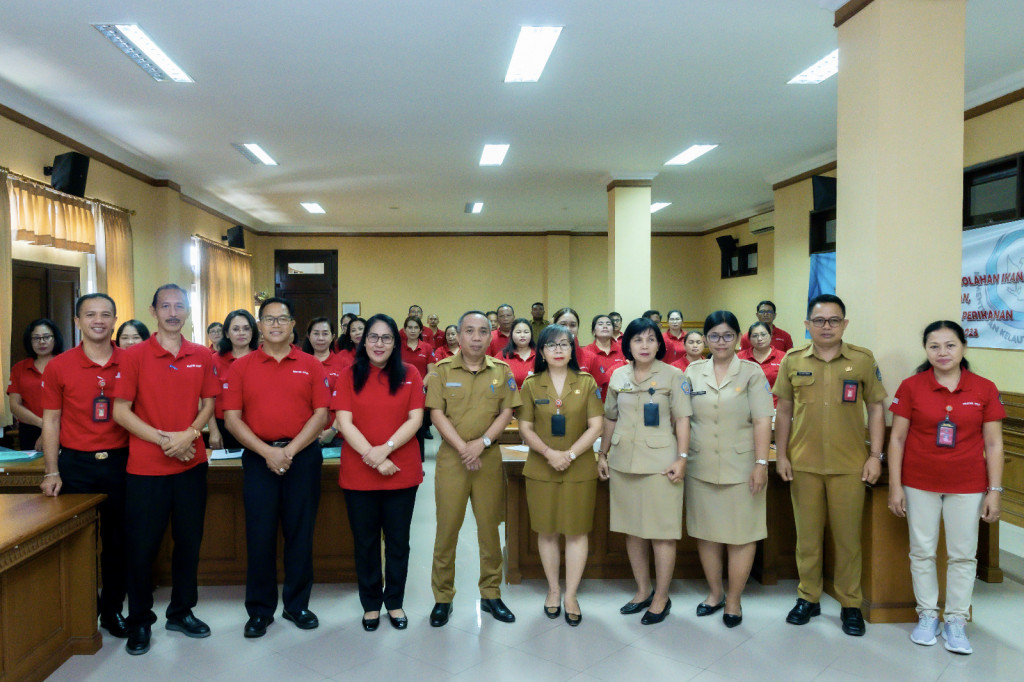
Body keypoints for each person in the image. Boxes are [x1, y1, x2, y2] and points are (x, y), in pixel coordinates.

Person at [112, 283, 220, 655]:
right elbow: (120, 411)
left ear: (188, 310)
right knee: (142, 548)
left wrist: (189, 434)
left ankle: (181, 611)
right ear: (153, 311)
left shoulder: (202, 354)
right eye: (165, 306)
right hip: (146, 468)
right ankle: (140, 621)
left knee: (189, 542)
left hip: (191, 463)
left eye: (179, 306)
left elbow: (209, 404)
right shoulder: (134, 355)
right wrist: (165, 441)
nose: (173, 312)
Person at [886, 321, 1004, 655]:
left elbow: (994, 444)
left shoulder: (983, 388)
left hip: (967, 484)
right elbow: (897, 438)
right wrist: (895, 486)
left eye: (950, 345)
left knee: (963, 555)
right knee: (922, 550)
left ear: (963, 347)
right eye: (934, 346)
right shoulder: (912, 386)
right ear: (926, 350)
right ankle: (927, 615)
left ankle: (955, 620)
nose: (942, 352)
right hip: (918, 481)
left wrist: (994, 490)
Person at [773, 293, 886, 637]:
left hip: (850, 465)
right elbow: (784, 410)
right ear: (807, 325)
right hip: (803, 464)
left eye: (834, 320)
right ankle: (809, 597)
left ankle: (850, 604)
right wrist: (781, 455)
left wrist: (875, 456)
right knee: (807, 538)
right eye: (819, 320)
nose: (826, 326)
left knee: (848, 540)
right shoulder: (792, 361)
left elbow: (877, 408)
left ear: (844, 324)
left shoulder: (863, 361)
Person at [222, 297, 330, 639]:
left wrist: (290, 451)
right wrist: (267, 452)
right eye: (268, 320)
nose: (275, 325)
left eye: (282, 319)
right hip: (258, 458)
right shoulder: (241, 367)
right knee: (260, 536)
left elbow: (321, 414)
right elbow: (232, 419)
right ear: (260, 326)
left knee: (300, 534)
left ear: (293, 324)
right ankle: (259, 610)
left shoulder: (311, 365)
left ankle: (297, 605)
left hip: (303, 458)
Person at [39, 293, 130, 638]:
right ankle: (79, 609)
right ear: (77, 322)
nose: (99, 320)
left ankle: (111, 611)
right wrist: (52, 471)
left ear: (114, 320)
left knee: (118, 541)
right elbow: (51, 421)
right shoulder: (60, 365)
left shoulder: (130, 361)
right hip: (76, 465)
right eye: (90, 314)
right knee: (79, 542)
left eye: (106, 314)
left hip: (122, 462)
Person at [425, 310, 521, 627]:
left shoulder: (501, 371)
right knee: (447, 530)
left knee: (489, 529)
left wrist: (482, 442)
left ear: (490, 335)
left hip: (488, 457)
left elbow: (507, 410)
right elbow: (436, 414)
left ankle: (491, 594)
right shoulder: (441, 370)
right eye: (469, 331)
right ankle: (442, 598)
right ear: (459, 334)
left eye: (482, 331)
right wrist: (465, 447)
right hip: (453, 458)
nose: (476, 337)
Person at [333, 314, 424, 632]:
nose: (379, 343)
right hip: (360, 474)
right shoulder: (347, 375)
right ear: (362, 340)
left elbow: (415, 419)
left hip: (401, 470)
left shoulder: (410, 373)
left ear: (395, 343)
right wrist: (374, 458)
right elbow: (344, 422)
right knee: (366, 542)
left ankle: (394, 602)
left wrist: (384, 449)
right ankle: (371, 604)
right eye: (373, 337)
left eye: (386, 338)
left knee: (399, 542)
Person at [683, 311, 774, 628]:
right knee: (706, 534)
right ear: (705, 339)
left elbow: (763, 420)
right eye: (714, 336)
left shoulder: (752, 373)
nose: (720, 342)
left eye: (727, 335)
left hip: (742, 466)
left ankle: (733, 600)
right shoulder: (693, 372)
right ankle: (714, 593)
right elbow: (681, 417)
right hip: (701, 464)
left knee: (741, 535)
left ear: (738, 338)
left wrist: (761, 464)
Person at [598, 317, 689, 625]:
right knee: (633, 531)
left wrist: (682, 458)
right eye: (638, 340)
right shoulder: (617, 375)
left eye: (651, 339)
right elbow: (609, 418)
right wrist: (603, 453)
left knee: (661, 533)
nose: (645, 345)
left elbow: (683, 420)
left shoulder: (674, 376)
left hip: (661, 465)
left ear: (659, 344)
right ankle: (642, 590)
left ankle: (661, 597)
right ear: (628, 344)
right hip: (624, 462)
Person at [518, 325, 604, 626]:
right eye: (551, 345)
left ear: (572, 350)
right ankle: (554, 590)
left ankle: (571, 594)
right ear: (541, 351)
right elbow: (525, 428)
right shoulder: (531, 385)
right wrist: (549, 454)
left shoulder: (586, 382)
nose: (558, 350)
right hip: (541, 466)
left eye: (564, 344)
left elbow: (596, 425)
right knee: (547, 530)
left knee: (577, 531)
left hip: (578, 466)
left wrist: (567, 455)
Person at [8, 318, 64, 450]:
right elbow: (15, 405)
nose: (42, 342)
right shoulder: (19, 368)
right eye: (36, 338)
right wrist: (44, 424)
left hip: (64, 427)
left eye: (46, 337)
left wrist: (49, 429)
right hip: (30, 428)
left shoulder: (66, 365)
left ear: (55, 339)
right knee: (31, 469)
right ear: (30, 341)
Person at [207, 310, 258, 451]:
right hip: (224, 427)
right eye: (236, 329)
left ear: (253, 332)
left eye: (246, 328)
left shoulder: (262, 359)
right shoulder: (214, 360)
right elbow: (207, 399)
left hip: (257, 427)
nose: (241, 333)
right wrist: (213, 431)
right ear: (227, 334)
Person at [302, 316, 345, 446]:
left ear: (332, 337)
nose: (320, 338)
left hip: (336, 434)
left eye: (325, 334)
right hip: (303, 435)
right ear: (309, 336)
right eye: (316, 333)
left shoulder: (344, 365)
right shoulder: (300, 363)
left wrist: (332, 430)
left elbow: (347, 402)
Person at [401, 316, 435, 458]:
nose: (413, 330)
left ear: (421, 329)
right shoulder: (398, 347)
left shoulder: (427, 347)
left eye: (416, 327)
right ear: (404, 330)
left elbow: (432, 371)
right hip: (401, 393)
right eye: (410, 327)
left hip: (419, 392)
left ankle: (418, 460)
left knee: (418, 427)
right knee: (402, 426)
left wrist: (420, 386)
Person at [737, 321, 785, 407]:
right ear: (749, 339)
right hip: (746, 408)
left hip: (774, 408)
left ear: (771, 335)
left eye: (763, 334)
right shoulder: (740, 357)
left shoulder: (783, 358)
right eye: (755, 336)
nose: (759, 338)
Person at [583, 314, 626, 400]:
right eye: (600, 324)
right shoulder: (585, 352)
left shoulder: (623, 351)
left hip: (619, 399)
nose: (605, 326)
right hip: (593, 400)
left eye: (608, 324)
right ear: (593, 331)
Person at [501, 318, 536, 389]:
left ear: (531, 334)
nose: (522, 335)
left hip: (535, 398)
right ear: (511, 334)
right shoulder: (503, 355)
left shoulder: (540, 354)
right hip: (511, 398)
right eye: (518, 332)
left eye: (526, 332)